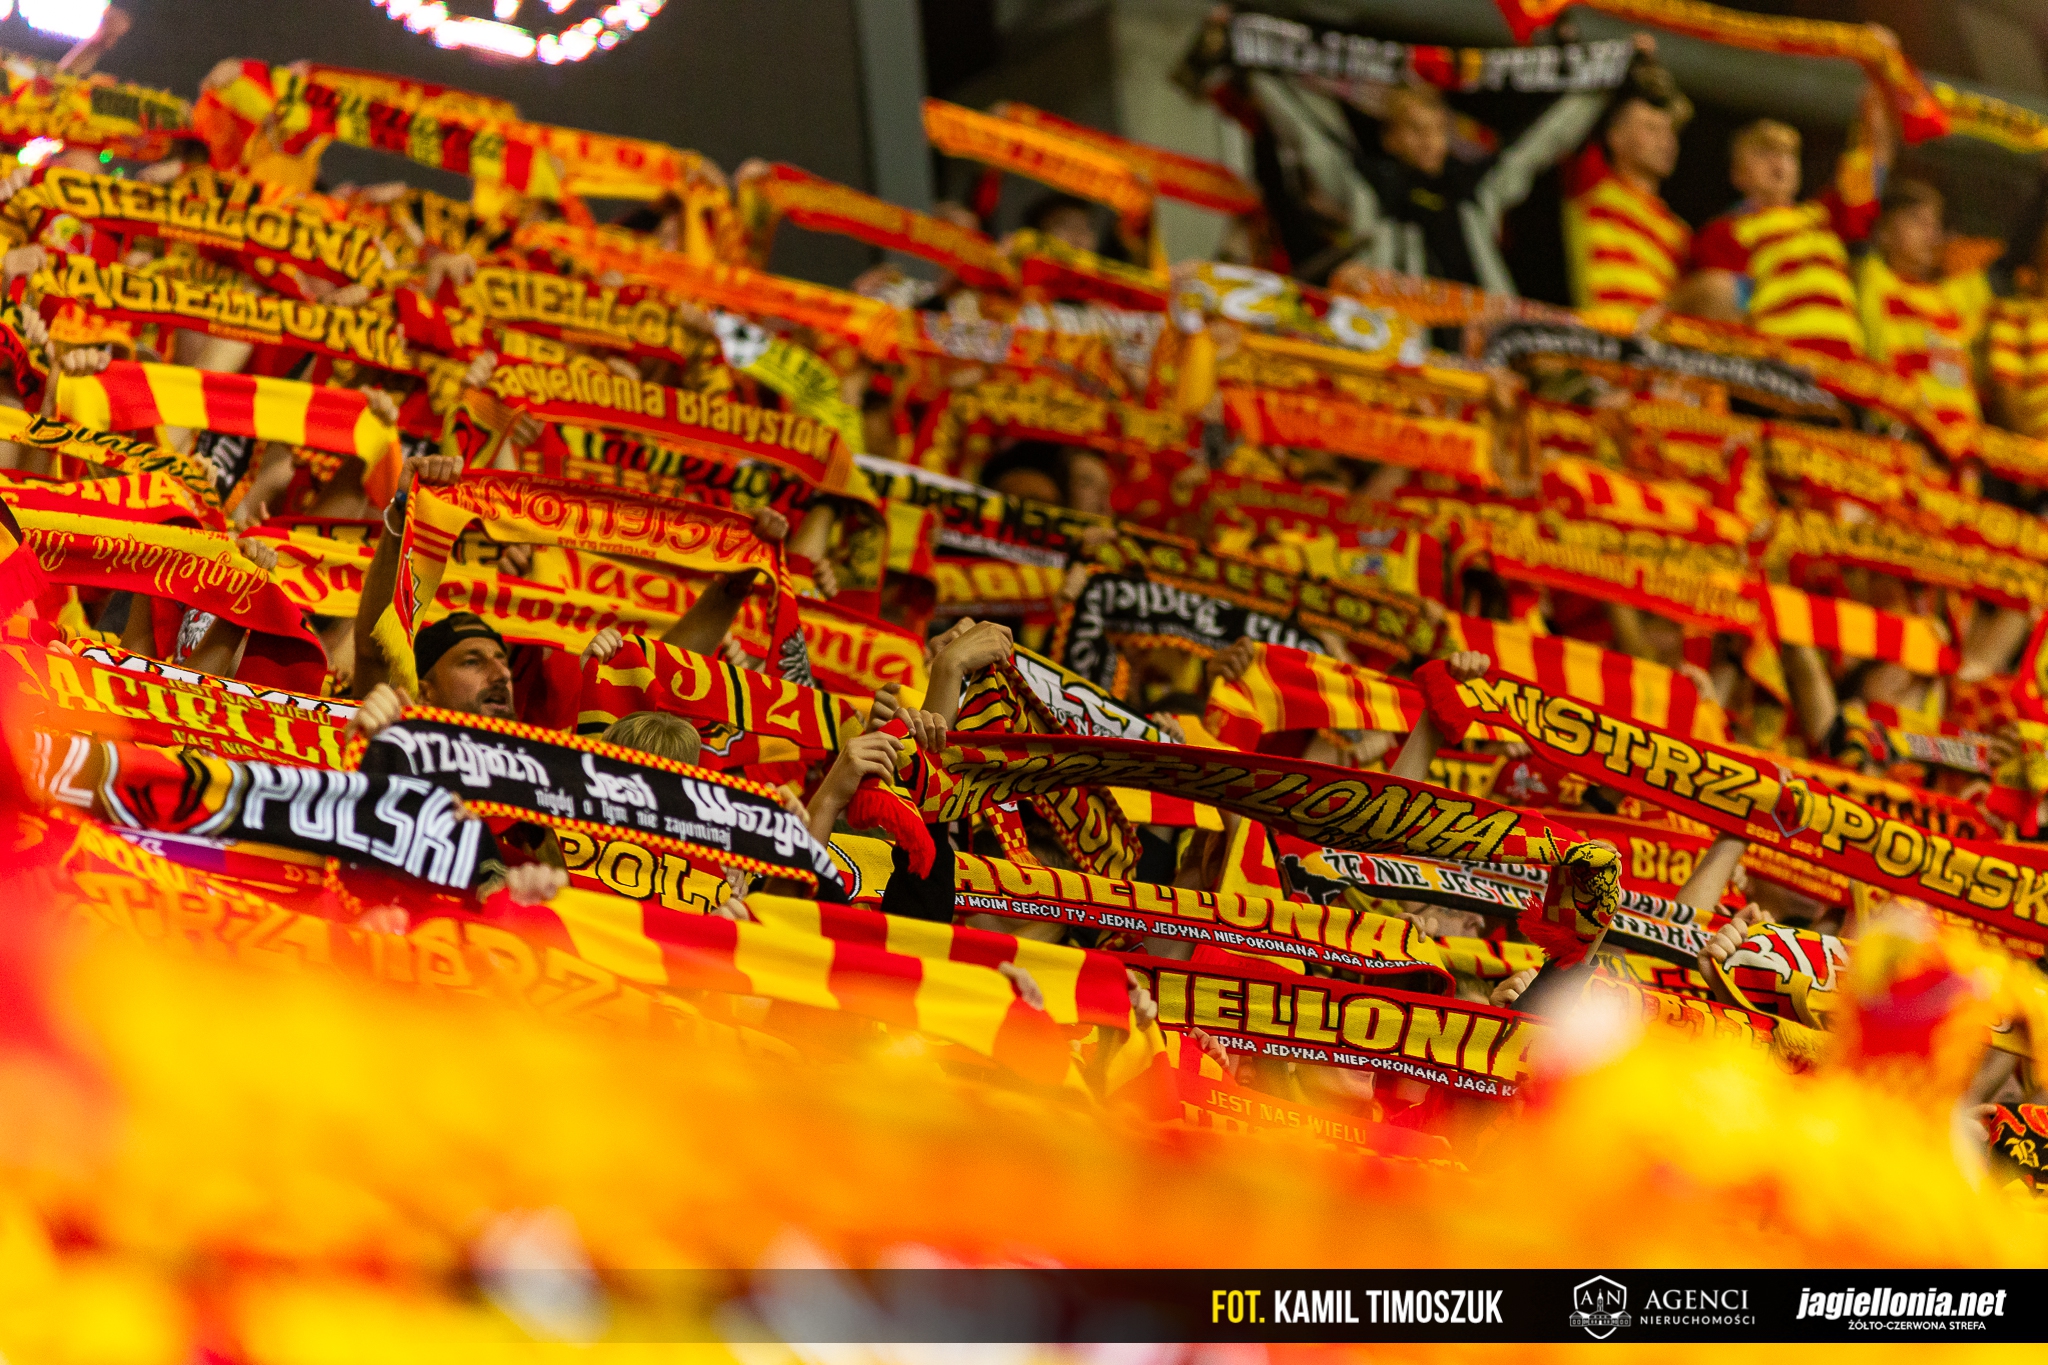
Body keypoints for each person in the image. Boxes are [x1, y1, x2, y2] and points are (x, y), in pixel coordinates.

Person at [1243, 43, 1624, 293]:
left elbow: (1542, 142)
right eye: (1415, 130)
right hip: (1393, 345)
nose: (1429, 141)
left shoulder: (1474, 186)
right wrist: (1250, 59)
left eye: (1438, 130)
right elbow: (1305, 133)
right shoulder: (1368, 182)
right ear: (1391, 139)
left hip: (1475, 352)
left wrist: (1605, 81)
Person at [1677, 87, 1895, 358]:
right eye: (1763, 153)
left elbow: (1871, 167)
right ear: (1738, 174)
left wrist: (1875, 112)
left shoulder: (1826, 216)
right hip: (1778, 368)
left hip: (1843, 368)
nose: (1778, 162)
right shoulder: (1726, 230)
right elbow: (1720, 310)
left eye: (1788, 154)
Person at [1560, 42, 1691, 325]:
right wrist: (1626, 65)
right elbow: (1573, 123)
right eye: (1650, 128)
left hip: (1661, 344)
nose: (1666, 141)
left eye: (1670, 131)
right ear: (1614, 137)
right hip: (1605, 336)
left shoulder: (1679, 232)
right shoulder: (1593, 186)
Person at [1857, 176, 1993, 443]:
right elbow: (1857, 212)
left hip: (1964, 446)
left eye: (1935, 224)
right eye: (1917, 221)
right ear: (1884, 232)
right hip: (1904, 438)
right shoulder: (1874, 279)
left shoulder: (1952, 297)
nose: (1931, 234)